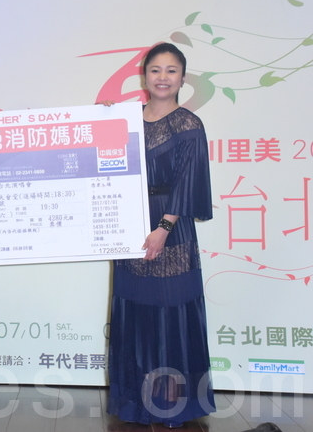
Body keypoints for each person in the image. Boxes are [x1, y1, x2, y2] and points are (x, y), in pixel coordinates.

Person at [106, 43, 215, 427]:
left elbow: (188, 182)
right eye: (155, 70)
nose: (163, 77)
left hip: (170, 228)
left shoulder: (188, 124)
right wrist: (102, 121)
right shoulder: (127, 119)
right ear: (144, 76)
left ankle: (171, 404)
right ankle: (135, 402)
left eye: (171, 70)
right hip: (130, 222)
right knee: (134, 311)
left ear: (182, 78)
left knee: (171, 313)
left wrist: (163, 229)